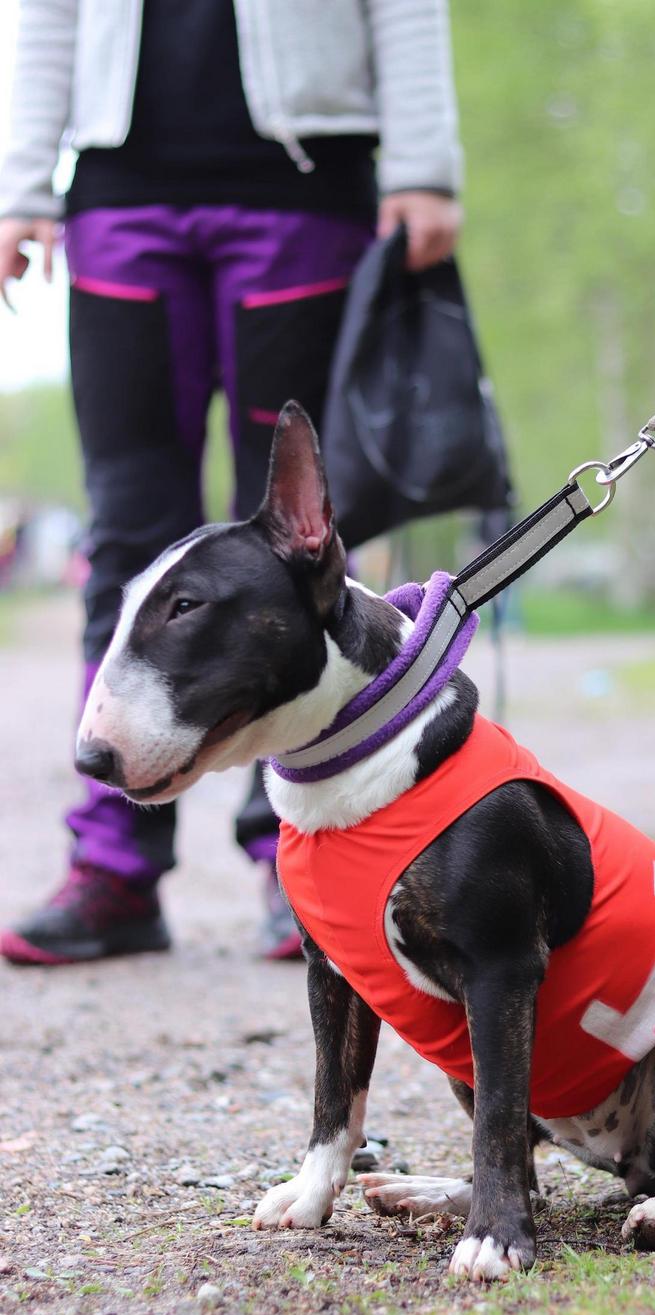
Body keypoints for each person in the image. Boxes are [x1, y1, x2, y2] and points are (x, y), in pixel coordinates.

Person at [0, 0, 463, 964]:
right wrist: (22, 181)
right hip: (120, 191)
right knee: (128, 531)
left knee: (299, 546)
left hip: (301, 187)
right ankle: (115, 865)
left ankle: (301, 859)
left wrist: (424, 167)